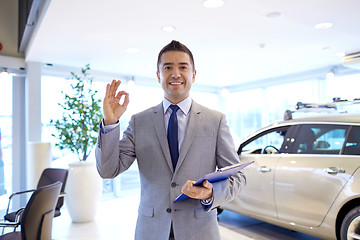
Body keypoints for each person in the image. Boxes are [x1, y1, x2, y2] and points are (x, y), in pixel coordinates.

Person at [95, 40, 246, 240]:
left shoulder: (215, 121)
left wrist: (210, 194)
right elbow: (108, 170)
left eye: (183, 67)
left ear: (193, 74)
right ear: (159, 75)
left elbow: (238, 178)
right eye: (168, 68)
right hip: (152, 231)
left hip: (199, 231)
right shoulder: (139, 122)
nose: (175, 74)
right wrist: (110, 122)